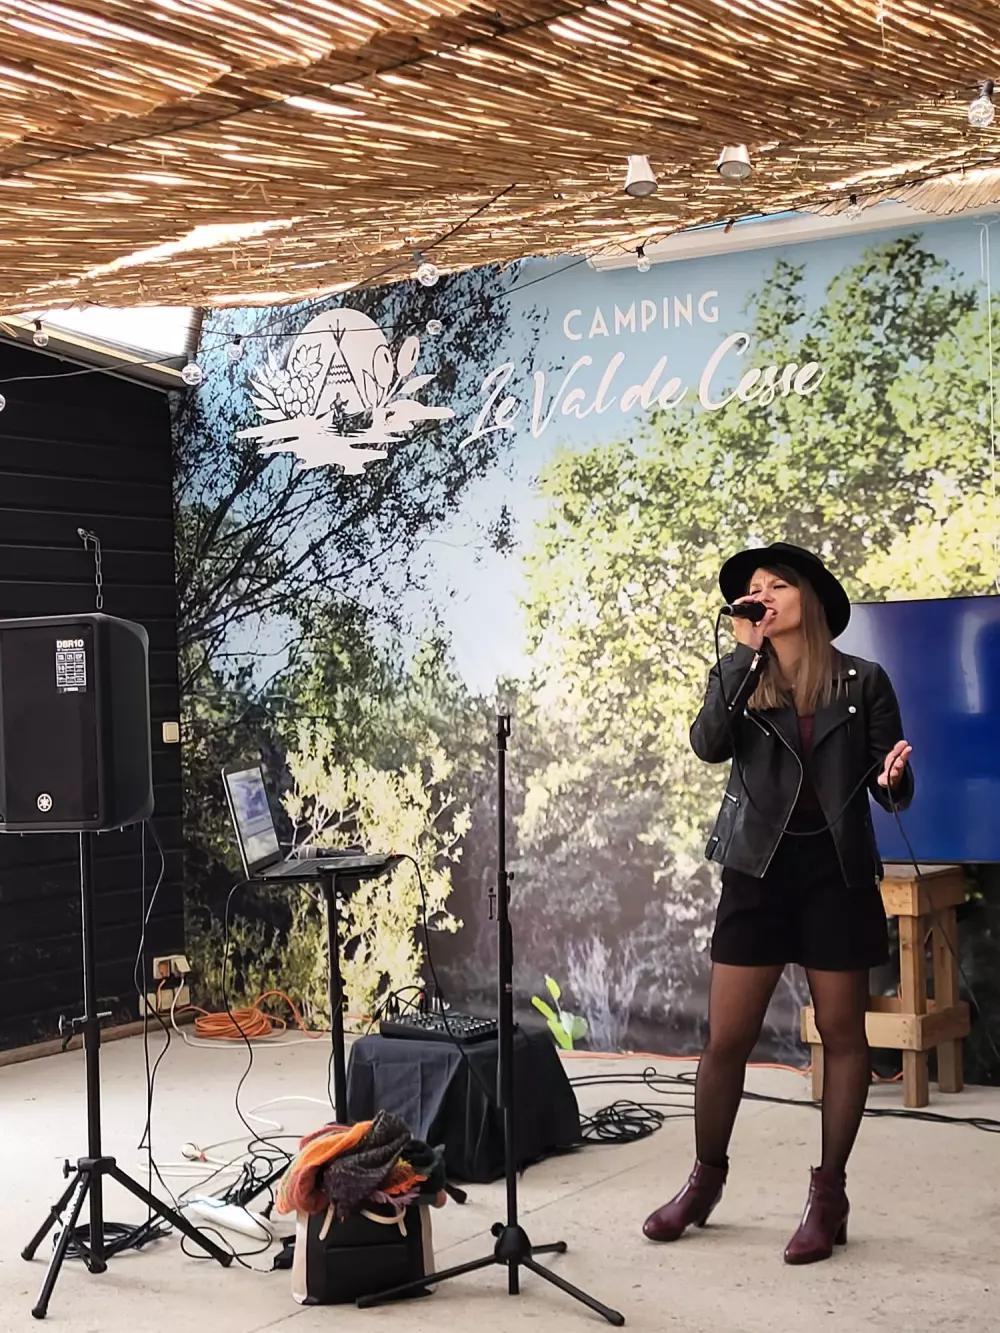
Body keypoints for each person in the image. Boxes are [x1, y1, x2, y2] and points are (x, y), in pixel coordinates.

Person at [642, 542, 913, 1265]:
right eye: (752, 589)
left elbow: (889, 784)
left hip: (835, 873)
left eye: (774, 585)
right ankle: (704, 1182)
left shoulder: (863, 680)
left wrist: (894, 779)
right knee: (725, 1040)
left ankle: (829, 1196)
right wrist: (742, 654)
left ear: (808, 599)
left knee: (844, 1035)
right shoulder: (739, 675)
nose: (759, 595)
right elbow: (708, 744)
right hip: (756, 872)